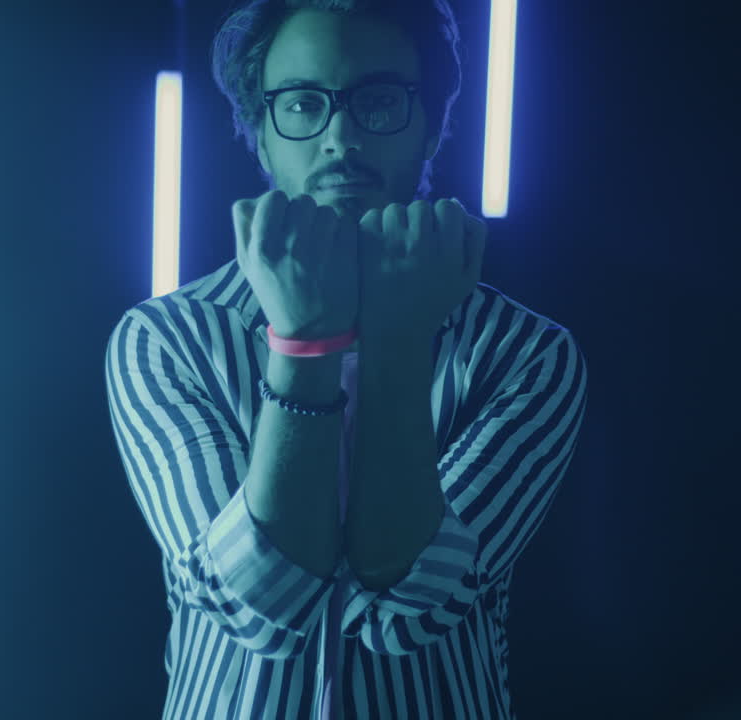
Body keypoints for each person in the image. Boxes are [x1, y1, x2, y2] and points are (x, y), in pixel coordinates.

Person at [104, 2, 587, 717]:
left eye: (379, 101)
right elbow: (260, 607)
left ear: (431, 124)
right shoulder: (168, 338)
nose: (341, 137)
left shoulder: (525, 356)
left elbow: (407, 612)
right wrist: (304, 337)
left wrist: (396, 335)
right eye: (302, 104)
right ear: (261, 136)